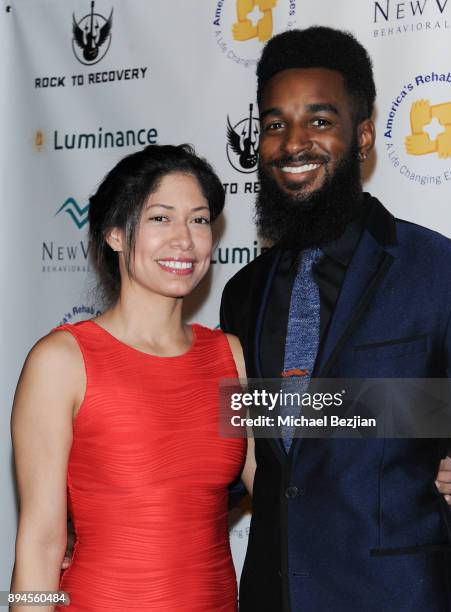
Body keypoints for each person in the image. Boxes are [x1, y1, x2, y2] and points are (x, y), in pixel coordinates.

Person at [220, 26, 451, 611]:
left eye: (320, 121)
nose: (293, 142)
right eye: (276, 124)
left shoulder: (444, 275)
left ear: (362, 137)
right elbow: (249, 457)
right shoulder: (242, 293)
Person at [10, 144, 254, 611]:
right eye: (161, 218)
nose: (185, 239)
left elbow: (291, 479)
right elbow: (41, 542)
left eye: (199, 220)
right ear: (116, 234)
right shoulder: (62, 361)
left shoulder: (231, 359)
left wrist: (420, 458)